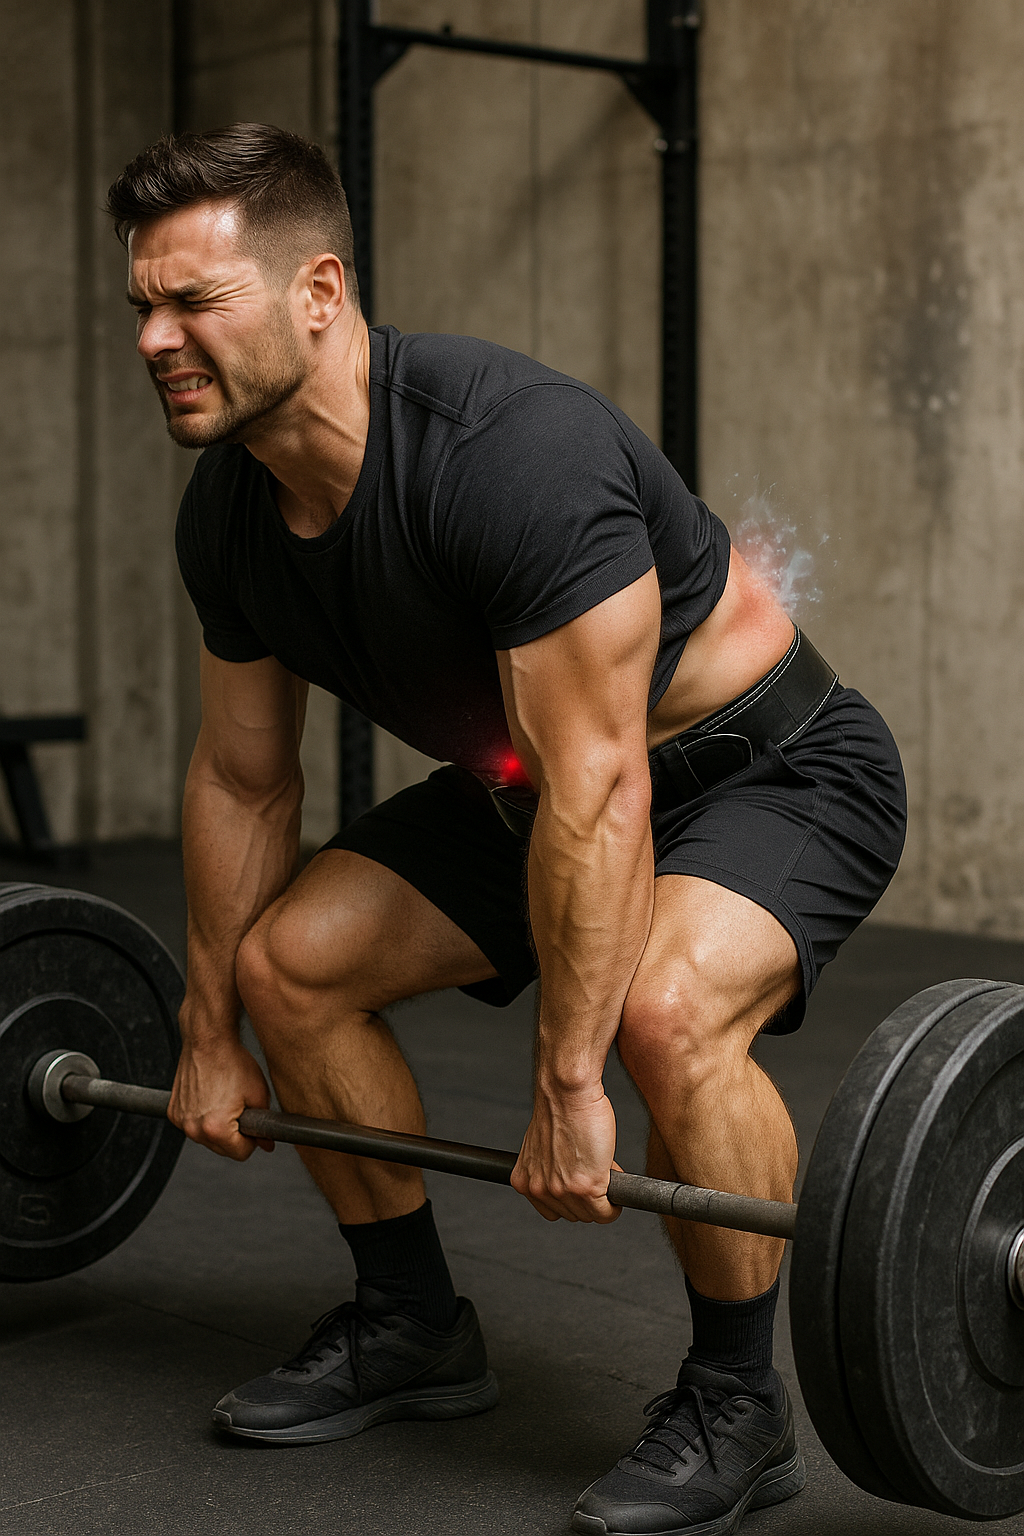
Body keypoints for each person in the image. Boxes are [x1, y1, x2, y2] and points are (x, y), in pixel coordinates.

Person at [106, 123, 906, 1535]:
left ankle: (739, 1406)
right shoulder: (227, 516)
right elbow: (246, 781)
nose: (158, 338)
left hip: (770, 766)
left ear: (319, 292)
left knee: (660, 1012)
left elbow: (606, 789)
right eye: (142, 307)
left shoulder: (506, 452)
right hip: (540, 784)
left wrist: (570, 1084)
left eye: (194, 304)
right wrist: (210, 1026)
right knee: (289, 967)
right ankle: (413, 1325)